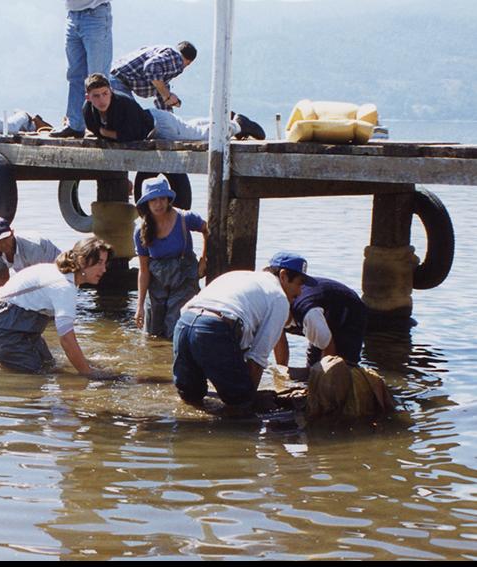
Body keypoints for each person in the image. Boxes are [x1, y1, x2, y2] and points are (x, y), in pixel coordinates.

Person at [173, 252, 316, 411]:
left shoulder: (238, 275)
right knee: (240, 403)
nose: (300, 292)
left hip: (184, 324)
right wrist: (248, 398)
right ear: (283, 276)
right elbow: (257, 358)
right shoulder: (278, 297)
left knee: (190, 397)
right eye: (299, 283)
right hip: (214, 329)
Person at [0, 237, 113, 375]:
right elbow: (66, 339)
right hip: (1, 328)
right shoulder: (64, 286)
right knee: (41, 373)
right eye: (99, 263)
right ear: (82, 260)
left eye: (105, 263)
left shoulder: (65, 277)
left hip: (16, 324)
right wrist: (89, 373)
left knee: (49, 365)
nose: (104, 269)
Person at [82, 73, 265, 143]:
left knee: (199, 136)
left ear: (111, 91)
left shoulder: (123, 104)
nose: (102, 99)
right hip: (155, 122)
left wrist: (104, 133)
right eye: (96, 96)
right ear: (88, 97)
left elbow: (131, 136)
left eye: (105, 93)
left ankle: (238, 125)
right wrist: (103, 132)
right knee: (188, 126)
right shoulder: (87, 110)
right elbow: (94, 129)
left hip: (160, 126)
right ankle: (220, 120)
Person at [134, 176, 208, 339]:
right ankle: (155, 362)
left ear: (169, 200)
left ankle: (175, 360)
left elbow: (207, 229)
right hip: (157, 282)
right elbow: (144, 270)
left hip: (184, 279)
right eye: (153, 200)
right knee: (151, 333)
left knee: (175, 328)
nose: (158, 204)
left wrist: (204, 258)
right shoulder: (140, 231)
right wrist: (139, 305)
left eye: (162, 199)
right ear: (146, 203)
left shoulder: (185, 218)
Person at [50, 0, 113, 139]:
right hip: (72, 16)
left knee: (98, 78)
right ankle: (75, 125)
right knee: (75, 75)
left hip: (95, 14)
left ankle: (100, 126)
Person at [274, 276, 368, 369]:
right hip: (320, 311)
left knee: (343, 366)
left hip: (349, 311)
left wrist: (323, 377)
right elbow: (279, 343)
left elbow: (328, 349)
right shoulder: (273, 312)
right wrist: (281, 375)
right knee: (313, 365)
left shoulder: (308, 313)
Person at [109, 42, 195, 112]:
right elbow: (151, 65)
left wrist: (171, 120)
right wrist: (167, 95)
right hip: (118, 83)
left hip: (111, 78)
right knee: (133, 120)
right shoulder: (176, 58)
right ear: (188, 62)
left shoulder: (162, 53)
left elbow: (160, 91)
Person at [0, 216, 62, 290]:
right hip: (29, 272)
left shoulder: (32, 246)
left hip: (57, 270)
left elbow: (39, 278)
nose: (3, 244)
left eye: (5, 238)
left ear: (12, 233)